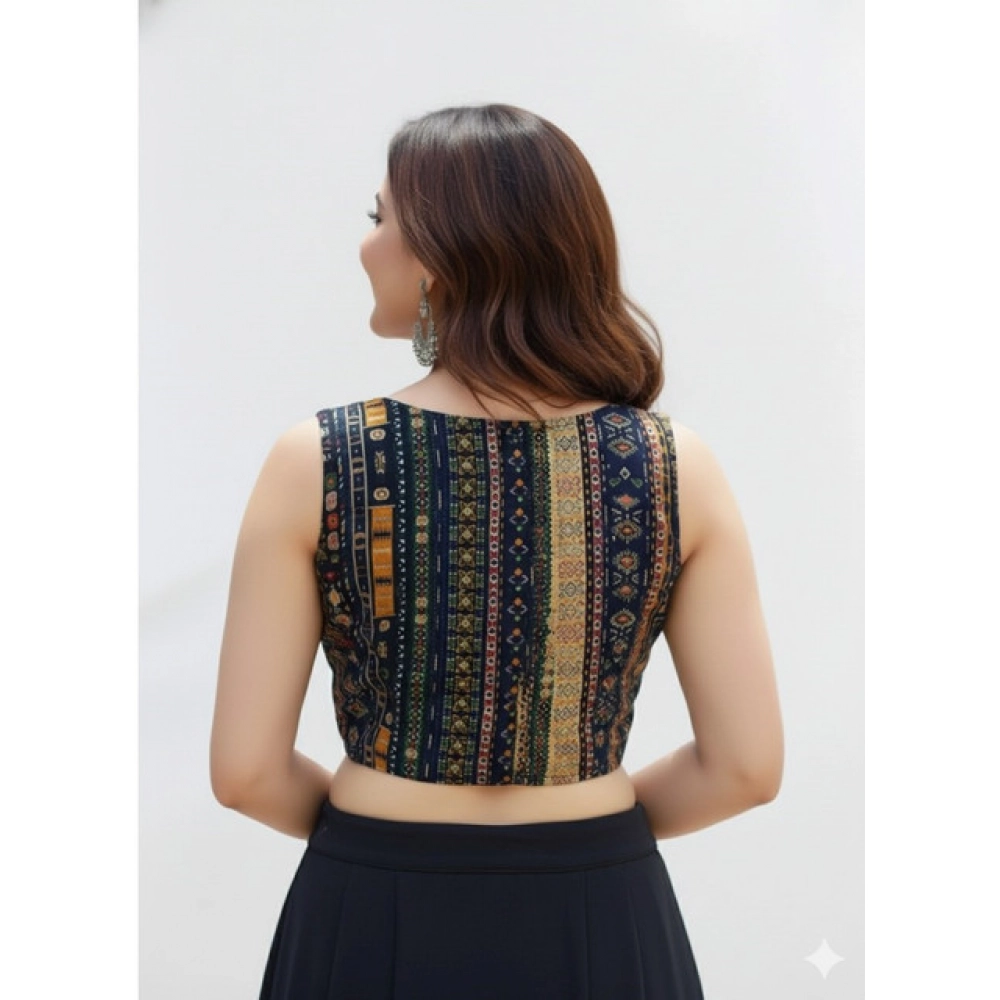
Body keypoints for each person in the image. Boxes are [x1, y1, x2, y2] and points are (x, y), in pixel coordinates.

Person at [210, 103, 783, 999]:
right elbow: (745, 769)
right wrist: (589, 837)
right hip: (604, 913)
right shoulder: (676, 466)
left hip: (369, 908)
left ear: (440, 254)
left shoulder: (318, 460)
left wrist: (373, 836)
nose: (365, 245)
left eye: (380, 218)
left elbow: (246, 773)